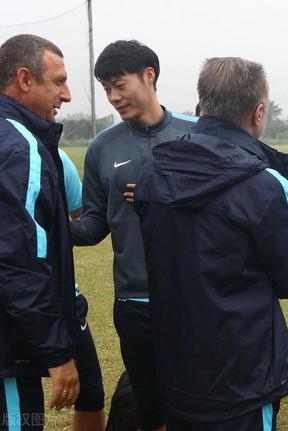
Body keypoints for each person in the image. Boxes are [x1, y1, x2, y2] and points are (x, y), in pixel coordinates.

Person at [134, 56, 288, 430]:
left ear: (202, 108)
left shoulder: (154, 171)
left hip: (177, 364)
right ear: (258, 112)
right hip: (244, 375)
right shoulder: (263, 184)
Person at [69, 40, 197, 431]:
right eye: (106, 88)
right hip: (133, 301)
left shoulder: (198, 136)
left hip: (195, 297)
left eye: (119, 84)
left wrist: (167, 195)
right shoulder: (102, 148)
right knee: (149, 408)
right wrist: (48, 225)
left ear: (149, 75)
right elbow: (93, 225)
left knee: (199, 403)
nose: (113, 96)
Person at [0, 34, 80, 430]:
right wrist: (57, 353)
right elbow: (19, 259)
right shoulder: (19, 148)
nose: (66, 94)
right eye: (59, 81)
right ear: (25, 78)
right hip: (9, 356)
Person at [59, 148, 105, 431]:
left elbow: (84, 220)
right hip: (16, 298)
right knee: (17, 394)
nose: (64, 99)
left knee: (90, 392)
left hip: (63, 297)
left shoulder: (57, 157)